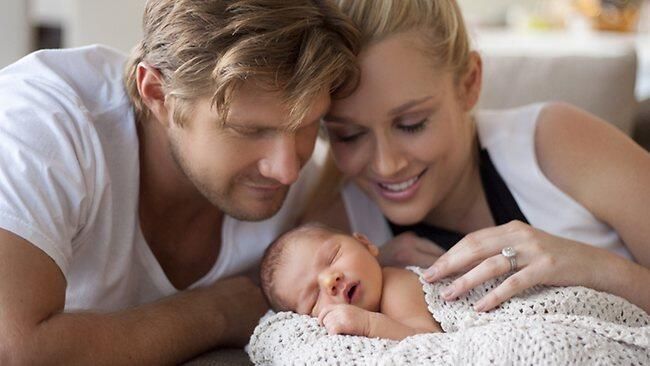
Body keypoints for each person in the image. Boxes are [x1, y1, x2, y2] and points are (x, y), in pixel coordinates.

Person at [0, 0, 360, 363]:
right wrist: (219, 311)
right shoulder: (41, 126)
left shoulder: (305, 190)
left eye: (307, 124)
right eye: (249, 131)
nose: (287, 172)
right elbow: (16, 352)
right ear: (157, 94)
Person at [304, 0, 650, 315]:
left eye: (411, 124)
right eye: (348, 135)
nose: (386, 164)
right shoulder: (339, 235)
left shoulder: (555, 142)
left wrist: (590, 267)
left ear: (469, 83)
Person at [260, 223, 441, 340]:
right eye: (314, 296)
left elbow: (429, 342)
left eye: (332, 258)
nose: (330, 280)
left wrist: (368, 325)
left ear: (365, 243)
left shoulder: (396, 284)